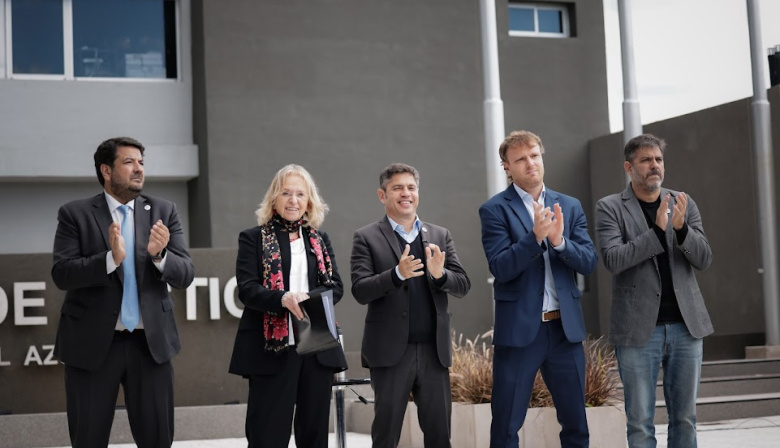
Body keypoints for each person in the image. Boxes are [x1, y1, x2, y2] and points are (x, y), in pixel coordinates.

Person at [52, 137, 195, 448]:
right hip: (91, 345)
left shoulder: (164, 211)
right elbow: (62, 273)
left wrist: (160, 255)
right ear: (106, 170)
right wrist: (109, 259)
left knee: (158, 439)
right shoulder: (75, 213)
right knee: (88, 439)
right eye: (129, 162)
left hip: (150, 345)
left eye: (141, 162)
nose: (138, 168)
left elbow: (185, 274)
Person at [479, 130, 597, 448]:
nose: (530, 163)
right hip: (520, 332)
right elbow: (500, 267)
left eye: (534, 155)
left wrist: (559, 242)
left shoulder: (569, 205)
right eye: (520, 159)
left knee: (576, 425)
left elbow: (588, 262)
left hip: (564, 332)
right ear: (507, 167)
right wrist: (534, 238)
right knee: (506, 426)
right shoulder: (494, 210)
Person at [595, 134, 713, 448]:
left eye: (658, 159)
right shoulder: (610, 207)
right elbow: (614, 259)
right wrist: (657, 231)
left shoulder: (683, 202)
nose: (654, 166)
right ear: (629, 167)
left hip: (686, 327)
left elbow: (704, 259)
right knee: (640, 423)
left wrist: (681, 229)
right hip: (637, 330)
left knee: (685, 419)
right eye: (646, 160)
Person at [351, 163, 471, 448]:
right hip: (390, 353)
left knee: (439, 435)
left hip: (433, 352)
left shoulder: (440, 235)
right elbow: (360, 290)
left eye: (411, 187)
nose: (406, 193)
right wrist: (396, 274)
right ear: (382, 195)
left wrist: (440, 275)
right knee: (386, 435)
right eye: (397, 188)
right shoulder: (366, 237)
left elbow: (463, 284)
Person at [228, 164, 347, 448]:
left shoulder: (320, 240)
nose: (293, 200)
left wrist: (308, 299)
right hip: (272, 349)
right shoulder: (253, 238)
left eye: (300, 194)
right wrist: (282, 298)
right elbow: (248, 290)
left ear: (309, 201)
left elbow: (335, 287)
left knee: (314, 435)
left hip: (316, 346)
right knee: (267, 435)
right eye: (286, 193)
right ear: (274, 199)